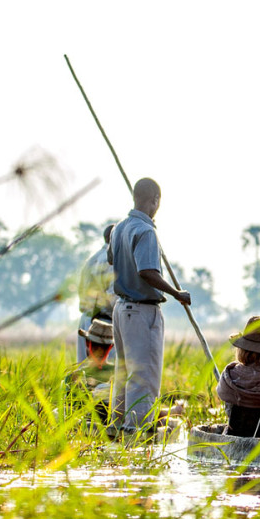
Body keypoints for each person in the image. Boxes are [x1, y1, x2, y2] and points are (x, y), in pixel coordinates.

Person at [107, 177, 191, 436]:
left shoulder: (120, 228)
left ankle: (116, 429)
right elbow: (147, 272)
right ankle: (137, 433)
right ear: (155, 200)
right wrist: (176, 292)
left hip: (121, 310)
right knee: (143, 377)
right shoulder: (145, 231)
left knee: (124, 373)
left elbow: (112, 258)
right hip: (142, 312)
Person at [76, 224, 115, 364]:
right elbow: (112, 297)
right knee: (104, 373)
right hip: (103, 324)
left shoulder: (91, 260)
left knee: (83, 369)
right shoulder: (111, 260)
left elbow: (80, 290)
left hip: (86, 319)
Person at [65, 318, 116, 423]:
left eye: (104, 347)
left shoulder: (117, 374)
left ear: (110, 347)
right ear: (88, 344)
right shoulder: (75, 376)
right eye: (96, 346)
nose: (100, 351)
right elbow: (71, 408)